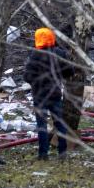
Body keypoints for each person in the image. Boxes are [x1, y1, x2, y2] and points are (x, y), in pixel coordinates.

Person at [23, 27, 73, 161]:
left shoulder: (34, 55)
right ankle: (62, 153)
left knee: (42, 125)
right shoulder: (60, 54)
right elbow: (70, 71)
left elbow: (26, 76)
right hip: (55, 93)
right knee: (60, 124)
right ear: (52, 38)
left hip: (39, 95)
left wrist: (35, 81)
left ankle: (43, 154)